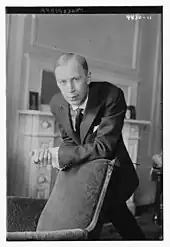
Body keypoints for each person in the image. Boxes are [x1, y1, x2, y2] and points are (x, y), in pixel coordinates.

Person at [34, 53, 145, 240]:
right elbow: (70, 141)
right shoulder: (57, 103)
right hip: (85, 174)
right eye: (62, 82)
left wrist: (59, 155)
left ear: (88, 77)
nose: (70, 89)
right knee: (109, 218)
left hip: (115, 176)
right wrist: (55, 155)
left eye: (76, 79)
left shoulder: (111, 95)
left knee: (94, 219)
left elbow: (104, 147)